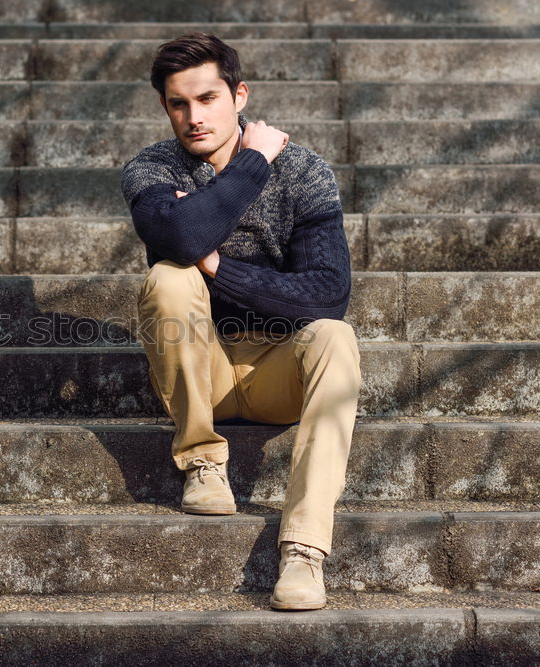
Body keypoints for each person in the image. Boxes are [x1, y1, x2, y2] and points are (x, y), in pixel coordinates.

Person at [119, 32, 362, 611]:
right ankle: (203, 461)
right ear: (164, 107)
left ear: (240, 95)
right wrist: (252, 162)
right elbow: (178, 237)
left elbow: (328, 294)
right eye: (179, 103)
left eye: (207, 99)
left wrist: (217, 263)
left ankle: (303, 552)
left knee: (335, 335)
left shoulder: (303, 171)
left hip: (282, 371)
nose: (194, 116)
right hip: (201, 368)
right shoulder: (151, 167)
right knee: (170, 277)